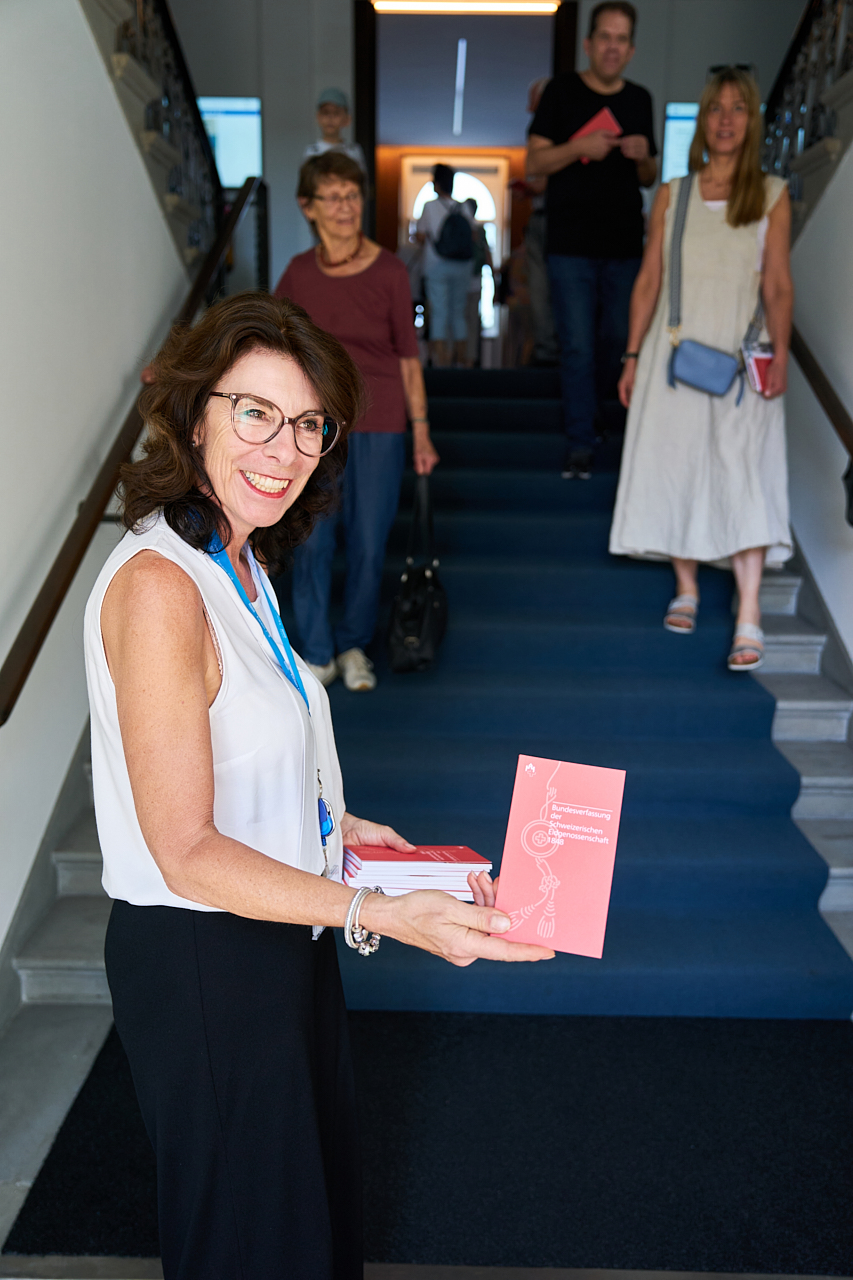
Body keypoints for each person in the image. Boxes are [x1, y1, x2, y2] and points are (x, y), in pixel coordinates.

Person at [84, 292, 553, 1280]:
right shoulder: (162, 584)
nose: (285, 447)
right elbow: (185, 846)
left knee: (308, 1229)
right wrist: (375, 907)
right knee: (250, 1245)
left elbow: (262, 769)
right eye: (254, 411)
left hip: (280, 942)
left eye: (308, 422)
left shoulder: (244, 564)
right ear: (191, 411)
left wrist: (355, 836)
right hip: (205, 959)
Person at [608, 68, 793, 671]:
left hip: (746, 360)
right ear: (704, 119)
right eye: (717, 107)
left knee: (746, 474)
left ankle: (748, 612)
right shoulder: (674, 193)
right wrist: (633, 354)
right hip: (672, 354)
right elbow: (648, 281)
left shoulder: (770, 193)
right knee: (677, 462)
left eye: (739, 108)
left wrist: (782, 356)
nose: (726, 118)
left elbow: (779, 285)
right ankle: (686, 585)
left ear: (752, 119)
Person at [275, 151, 438, 692]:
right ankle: (316, 651)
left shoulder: (390, 270)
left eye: (353, 195)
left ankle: (353, 646)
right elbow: (268, 342)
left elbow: (408, 356)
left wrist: (421, 431)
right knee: (312, 541)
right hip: (314, 426)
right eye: (333, 196)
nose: (346, 207)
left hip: (382, 421)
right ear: (308, 207)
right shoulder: (298, 274)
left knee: (369, 543)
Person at [527, 1, 657, 478]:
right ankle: (581, 440)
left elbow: (649, 176)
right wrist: (579, 147)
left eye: (621, 39)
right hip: (569, 246)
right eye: (604, 37)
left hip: (625, 246)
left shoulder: (640, 99)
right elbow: (534, 164)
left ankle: (596, 414)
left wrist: (645, 157)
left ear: (631, 48)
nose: (612, 47)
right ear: (588, 43)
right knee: (578, 345)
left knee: (617, 339)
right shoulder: (560, 92)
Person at [416, 164, 474, 367]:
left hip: (436, 265)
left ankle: (441, 362)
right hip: (462, 265)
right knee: (458, 313)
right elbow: (473, 235)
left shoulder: (429, 206)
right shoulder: (464, 207)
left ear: (437, 183)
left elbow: (421, 236)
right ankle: (461, 362)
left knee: (439, 312)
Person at [524, 77, 560, 367]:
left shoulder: (556, 130)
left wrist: (537, 187)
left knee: (548, 285)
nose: (528, 107)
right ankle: (547, 348)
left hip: (557, 218)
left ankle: (549, 349)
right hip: (543, 218)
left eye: (533, 100)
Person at [462, 197, 494, 366]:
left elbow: (487, 255)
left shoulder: (474, 230)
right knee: (470, 321)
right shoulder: (475, 230)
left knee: (467, 321)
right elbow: (488, 257)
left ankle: (466, 359)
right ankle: (467, 358)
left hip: (467, 282)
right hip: (469, 282)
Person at [303, 87, 367, 171]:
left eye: (336, 113)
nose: (330, 118)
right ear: (318, 117)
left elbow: (361, 182)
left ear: (347, 119)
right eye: (325, 113)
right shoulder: (311, 152)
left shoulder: (353, 152)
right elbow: (306, 183)